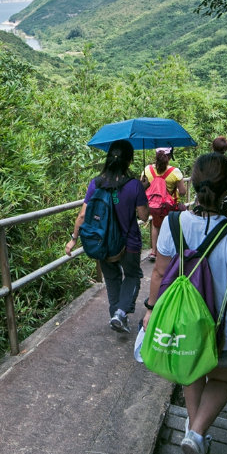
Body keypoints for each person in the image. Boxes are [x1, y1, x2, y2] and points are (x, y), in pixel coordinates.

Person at [143, 151, 227, 454]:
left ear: (192, 184)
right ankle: (196, 433)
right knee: (224, 379)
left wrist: (151, 310)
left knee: (192, 373)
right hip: (222, 329)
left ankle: (193, 426)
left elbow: (158, 274)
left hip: (185, 328)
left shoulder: (174, 223)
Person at [65, 140, 150, 332]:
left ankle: (116, 315)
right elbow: (144, 216)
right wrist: (143, 190)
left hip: (103, 242)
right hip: (129, 243)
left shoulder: (96, 183)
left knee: (111, 279)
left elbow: (82, 215)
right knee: (132, 276)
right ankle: (121, 314)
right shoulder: (134, 185)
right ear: (130, 160)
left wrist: (73, 239)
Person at [142, 147, 186, 261]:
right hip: (168, 206)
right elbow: (182, 192)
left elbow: (141, 185)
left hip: (152, 205)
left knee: (156, 225)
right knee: (170, 225)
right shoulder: (174, 172)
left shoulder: (147, 169)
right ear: (170, 156)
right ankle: (168, 252)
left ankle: (153, 252)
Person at [209, 136, 227, 217]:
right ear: (225, 149)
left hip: (205, 201)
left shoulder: (204, 162)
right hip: (221, 203)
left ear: (212, 146)